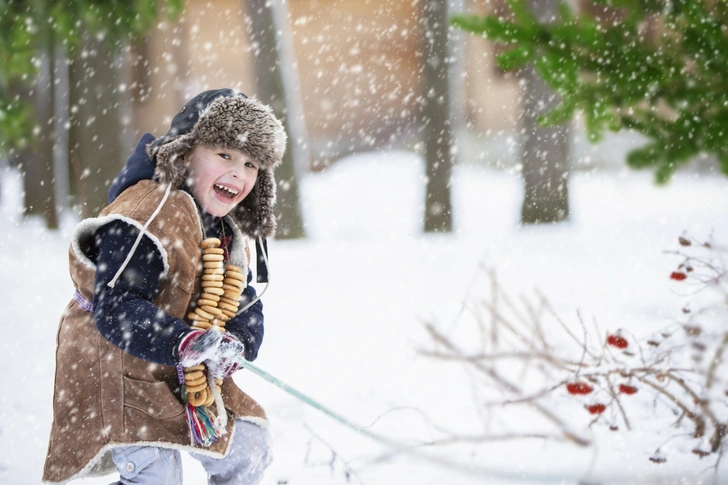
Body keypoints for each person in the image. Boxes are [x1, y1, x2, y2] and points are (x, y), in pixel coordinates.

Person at [43, 89, 286, 485]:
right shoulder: (148, 213)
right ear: (184, 151)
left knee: (248, 446)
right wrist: (184, 342)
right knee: (155, 472)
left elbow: (243, 303)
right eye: (224, 155)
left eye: (251, 164)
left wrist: (237, 341)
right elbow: (117, 307)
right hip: (119, 363)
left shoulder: (224, 229)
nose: (239, 173)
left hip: (185, 367)